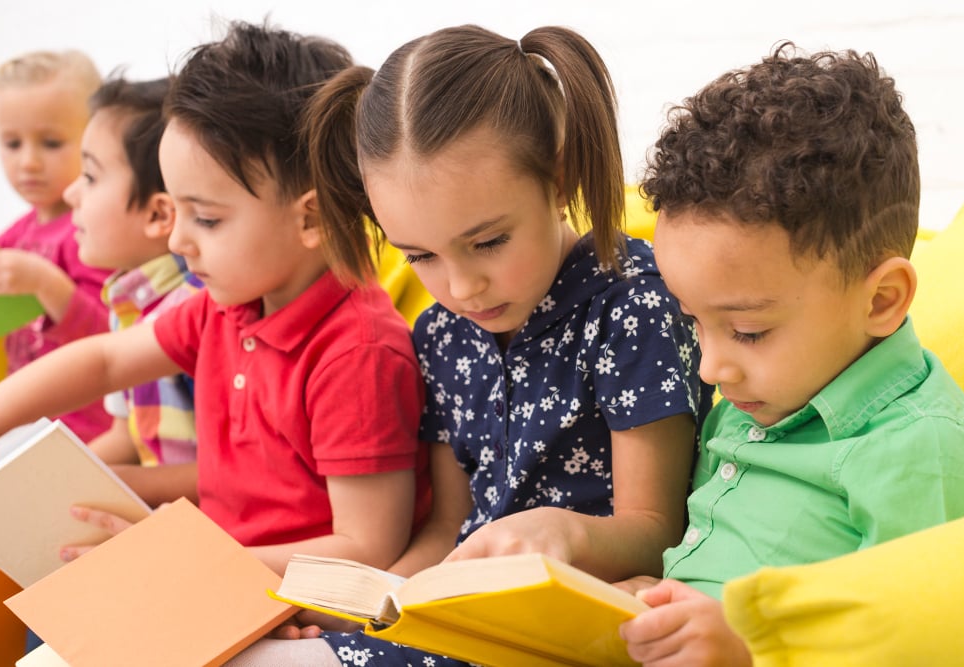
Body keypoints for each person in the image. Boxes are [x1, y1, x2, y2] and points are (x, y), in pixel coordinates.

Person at [230, 24, 712, 667]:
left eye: (487, 242)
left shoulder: (634, 308)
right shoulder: (440, 333)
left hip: (570, 627)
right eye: (420, 255)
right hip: (460, 624)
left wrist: (562, 533)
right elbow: (446, 529)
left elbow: (656, 532)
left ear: (559, 176)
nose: (461, 286)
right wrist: (371, 607)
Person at [0, 20, 429, 583]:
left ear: (310, 217)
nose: (176, 241)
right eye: (177, 210)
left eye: (207, 218)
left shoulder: (357, 353)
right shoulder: (226, 307)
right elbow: (106, 360)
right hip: (220, 578)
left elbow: (367, 551)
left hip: (295, 604)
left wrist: (184, 565)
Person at [617, 43, 964, 666]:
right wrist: (653, 604)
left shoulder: (922, 452)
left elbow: (932, 646)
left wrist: (748, 651)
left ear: (882, 300)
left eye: (749, 331)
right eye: (695, 324)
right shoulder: (756, 396)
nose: (710, 368)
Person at [62, 75, 203, 506]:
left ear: (159, 214)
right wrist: (51, 484)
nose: (70, 193)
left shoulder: (197, 307)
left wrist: (116, 486)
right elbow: (125, 438)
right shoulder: (125, 304)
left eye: (89, 176)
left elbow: (232, 471)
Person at [0, 49, 112, 441]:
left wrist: (46, 283)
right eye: (12, 143)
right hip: (20, 422)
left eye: (51, 142)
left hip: (84, 430)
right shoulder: (14, 236)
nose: (28, 162)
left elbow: (110, 337)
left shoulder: (94, 232)